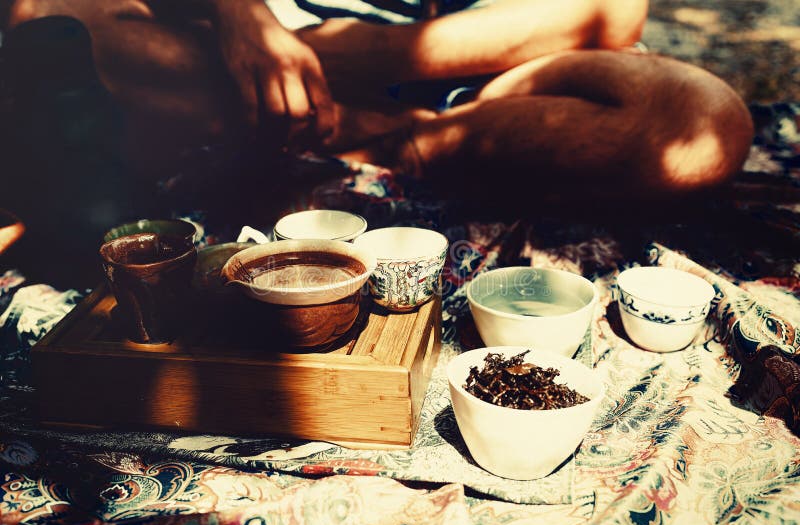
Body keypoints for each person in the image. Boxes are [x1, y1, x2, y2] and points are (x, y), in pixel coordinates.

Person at [3, 0, 753, 216]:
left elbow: (611, 14)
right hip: (241, 57)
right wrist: (241, 16)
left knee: (701, 131)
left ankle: (390, 139)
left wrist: (364, 54)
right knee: (55, 22)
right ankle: (380, 136)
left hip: (477, 70)